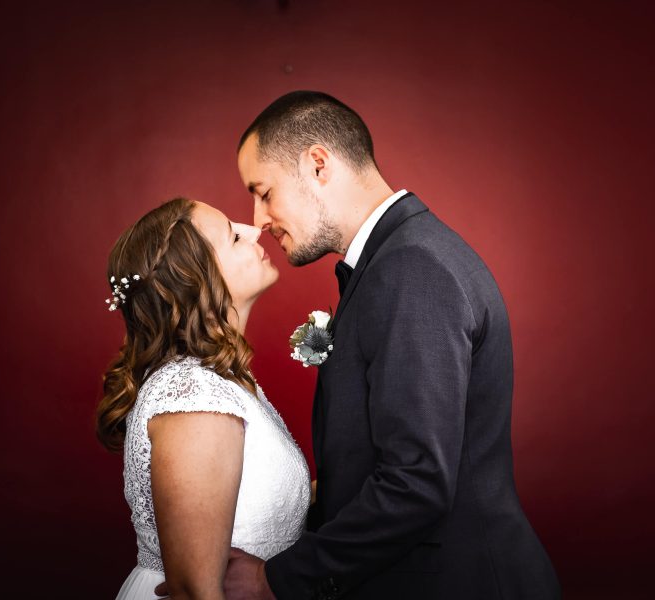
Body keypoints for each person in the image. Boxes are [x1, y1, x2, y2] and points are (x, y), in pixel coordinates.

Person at [212, 91, 562, 599]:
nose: (259, 217)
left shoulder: (410, 267)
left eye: (264, 191)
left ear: (317, 165)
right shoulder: (400, 257)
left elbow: (416, 483)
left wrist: (278, 580)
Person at [96, 197, 311, 600]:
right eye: (232, 235)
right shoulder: (196, 397)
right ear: (197, 280)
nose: (252, 230)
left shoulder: (219, 382)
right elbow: (196, 591)